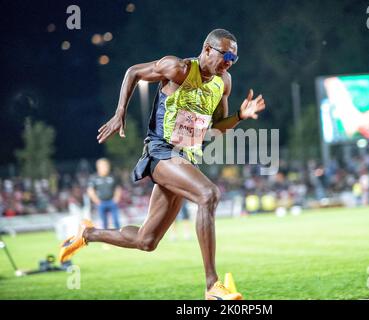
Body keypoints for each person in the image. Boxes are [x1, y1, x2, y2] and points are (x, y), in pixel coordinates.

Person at [59, 29, 265, 300]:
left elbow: (216, 127)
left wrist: (239, 115)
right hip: (162, 152)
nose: (229, 62)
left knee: (146, 241)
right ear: (206, 49)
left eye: (233, 59)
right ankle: (211, 285)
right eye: (225, 55)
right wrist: (120, 112)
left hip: (185, 159)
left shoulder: (223, 82)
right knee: (209, 194)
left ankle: (88, 233)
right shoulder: (177, 68)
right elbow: (133, 72)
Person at [87, 158, 122, 229]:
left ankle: (119, 236)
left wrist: (116, 198)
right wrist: (96, 200)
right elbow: (90, 190)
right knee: (104, 222)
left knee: (116, 221)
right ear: (98, 167)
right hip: (101, 203)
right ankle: (106, 238)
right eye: (103, 166)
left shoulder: (113, 176)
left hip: (112, 202)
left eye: (106, 166)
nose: (106, 168)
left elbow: (118, 188)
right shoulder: (94, 178)